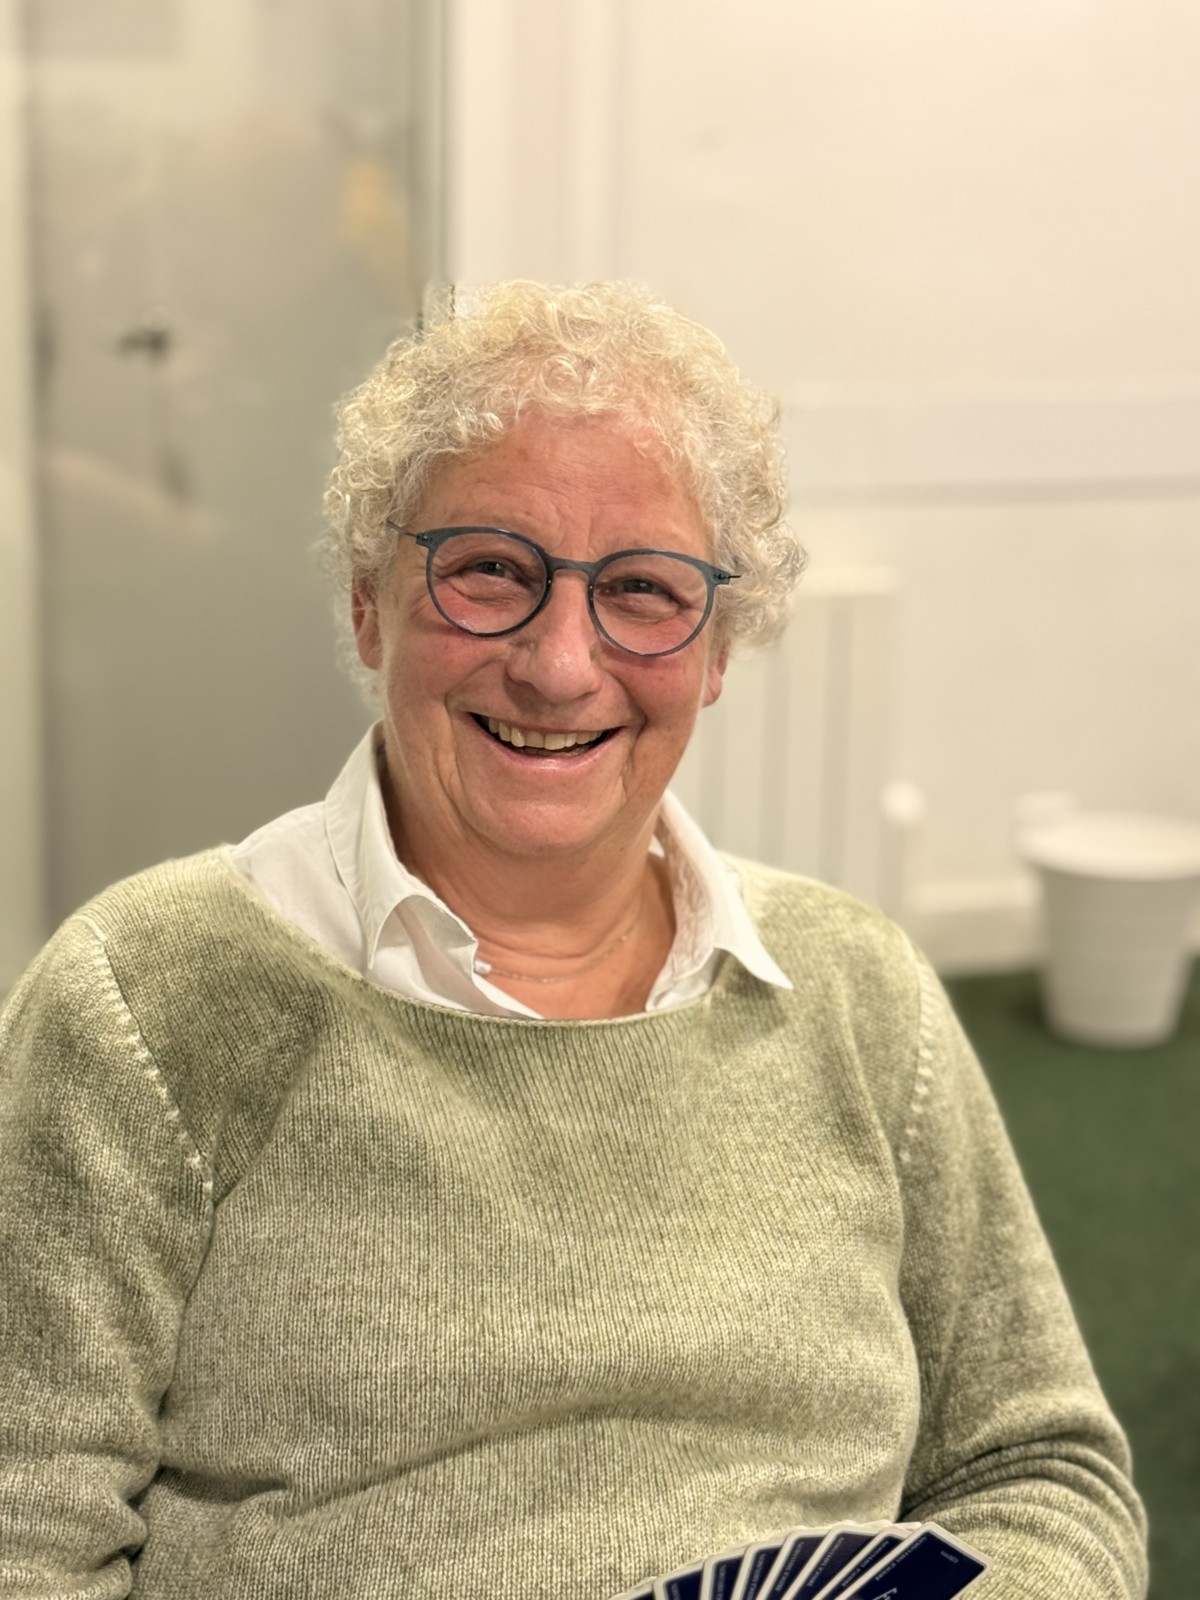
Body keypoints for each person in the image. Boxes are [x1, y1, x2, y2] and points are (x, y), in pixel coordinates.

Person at [0, 282, 1146, 1599]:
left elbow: (1044, 1471)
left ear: (716, 652)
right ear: (370, 604)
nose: (558, 665)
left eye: (644, 591)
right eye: (491, 570)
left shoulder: (859, 993)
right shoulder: (145, 1005)